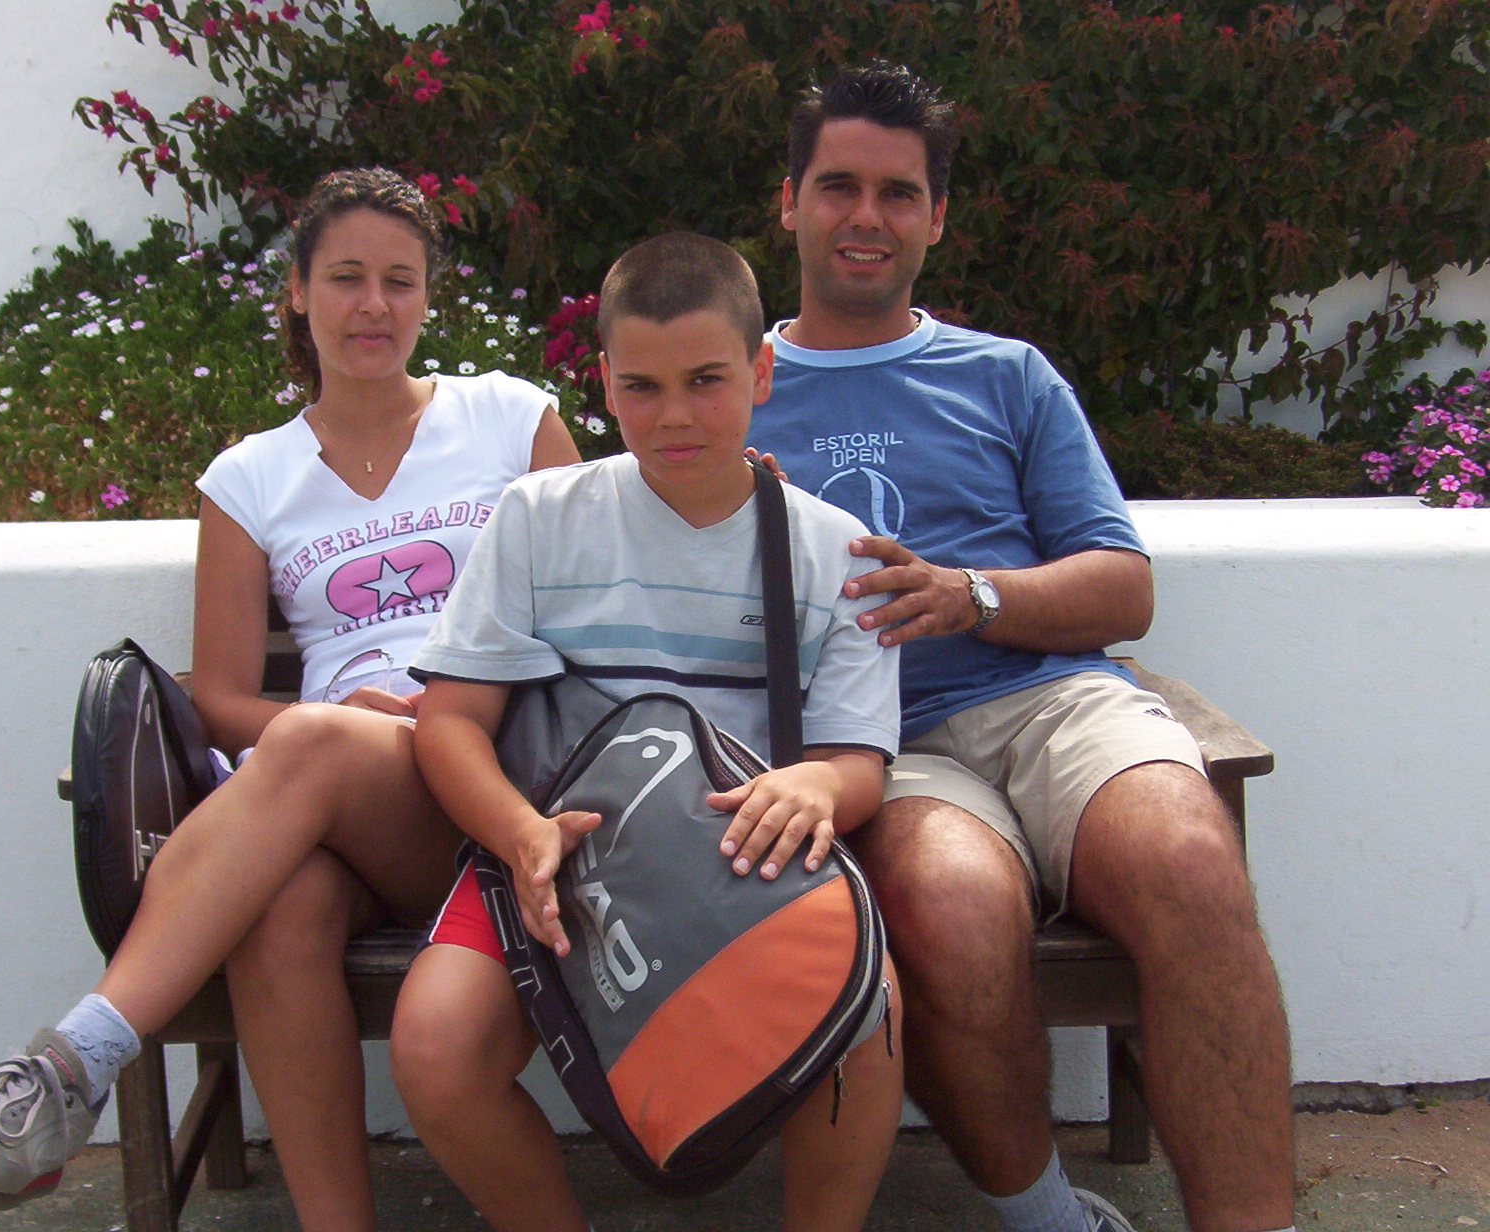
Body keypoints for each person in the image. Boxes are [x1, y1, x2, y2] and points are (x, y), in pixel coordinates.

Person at [0, 167, 581, 1232]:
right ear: (299, 293)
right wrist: (342, 732)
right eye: (346, 278)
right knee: (282, 907)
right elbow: (218, 697)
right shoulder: (251, 476)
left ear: (427, 297)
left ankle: (70, 1064)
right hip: (346, 805)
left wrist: (414, 713)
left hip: (491, 783)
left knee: (310, 744)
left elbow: (595, 598)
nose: (373, 305)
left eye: (399, 281)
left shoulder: (508, 418)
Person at [747, 63, 1298, 1232]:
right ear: (788, 201)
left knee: (1192, 862)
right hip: (878, 739)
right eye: (838, 185)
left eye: (899, 192)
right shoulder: (723, 385)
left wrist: (974, 596)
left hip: (1053, 700)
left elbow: (1124, 587)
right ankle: (1054, 1219)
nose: (866, 215)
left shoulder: (1006, 375)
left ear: (937, 217)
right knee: (949, 906)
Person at [388, 232, 905, 1232]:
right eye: (642, 386)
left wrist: (817, 785)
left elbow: (856, 764)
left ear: (761, 370)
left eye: (707, 380)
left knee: (867, 1016)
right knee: (436, 1046)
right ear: (604, 382)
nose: (673, 415)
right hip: (554, 858)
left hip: (738, 864)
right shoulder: (539, 516)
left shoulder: (835, 550)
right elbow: (450, 723)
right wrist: (521, 833)